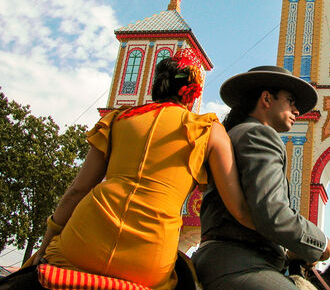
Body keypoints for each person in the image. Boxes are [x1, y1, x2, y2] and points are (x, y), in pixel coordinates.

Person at [26, 49, 255, 290]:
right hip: (150, 257)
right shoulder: (207, 129)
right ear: (192, 94)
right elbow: (238, 209)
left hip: (83, 240)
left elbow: (77, 190)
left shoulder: (116, 120)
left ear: (156, 85)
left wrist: (45, 245)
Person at [192, 66, 330, 290]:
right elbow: (272, 214)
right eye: (290, 100)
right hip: (241, 263)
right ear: (267, 98)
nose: (297, 111)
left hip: (222, 259)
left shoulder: (235, 134)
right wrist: (320, 242)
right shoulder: (260, 134)